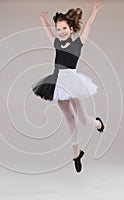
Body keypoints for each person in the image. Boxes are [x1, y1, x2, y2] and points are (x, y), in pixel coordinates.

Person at [31, 0, 105, 173]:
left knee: (84, 119)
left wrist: (94, 10)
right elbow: (47, 31)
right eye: (58, 29)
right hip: (57, 82)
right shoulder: (56, 43)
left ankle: (97, 123)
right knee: (70, 119)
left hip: (73, 81)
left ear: (71, 29)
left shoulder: (77, 44)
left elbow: (88, 25)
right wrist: (42, 19)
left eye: (64, 28)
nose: (61, 32)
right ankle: (76, 153)